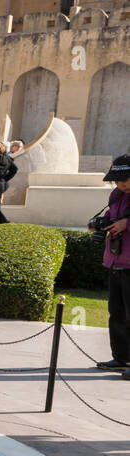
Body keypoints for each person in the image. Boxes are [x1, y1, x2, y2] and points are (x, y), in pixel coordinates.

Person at [93, 155, 130, 376]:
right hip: (116, 262)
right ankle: (121, 358)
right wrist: (102, 223)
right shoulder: (116, 195)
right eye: (116, 180)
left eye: (124, 180)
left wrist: (127, 223)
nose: (120, 184)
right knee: (116, 314)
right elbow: (110, 216)